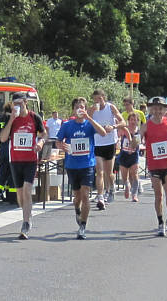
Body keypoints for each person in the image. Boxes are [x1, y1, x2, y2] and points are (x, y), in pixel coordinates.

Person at [56, 97, 107, 239]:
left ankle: (83, 226)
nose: (80, 109)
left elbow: (103, 133)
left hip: (87, 165)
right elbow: (58, 142)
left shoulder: (90, 125)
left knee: (85, 195)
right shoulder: (67, 125)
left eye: (83, 107)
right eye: (78, 107)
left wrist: (89, 118)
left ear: (85, 109)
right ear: (73, 110)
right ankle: (77, 210)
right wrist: (63, 146)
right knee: (77, 196)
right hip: (72, 165)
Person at [0, 92, 47, 239]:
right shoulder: (11, 119)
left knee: (27, 190)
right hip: (15, 160)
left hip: (30, 160)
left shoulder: (34, 117)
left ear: (25, 102)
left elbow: (44, 133)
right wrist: (12, 119)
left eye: (20, 103)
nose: (18, 106)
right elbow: (3, 138)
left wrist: (40, 142)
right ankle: (27, 211)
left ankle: (26, 223)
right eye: (15, 104)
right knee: (20, 195)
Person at [140, 96, 167, 236]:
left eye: (161, 109)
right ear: (151, 109)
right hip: (154, 165)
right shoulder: (146, 126)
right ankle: (160, 222)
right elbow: (138, 138)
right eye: (155, 108)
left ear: (165, 110)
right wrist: (136, 143)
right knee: (158, 195)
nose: (158, 111)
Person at [90, 89, 126, 208]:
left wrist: (113, 126)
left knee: (108, 173)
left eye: (99, 99)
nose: (98, 102)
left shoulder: (111, 107)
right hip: (97, 143)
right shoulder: (92, 110)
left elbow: (123, 122)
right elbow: (85, 121)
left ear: (103, 97)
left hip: (110, 142)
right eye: (95, 100)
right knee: (99, 172)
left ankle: (111, 188)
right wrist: (91, 112)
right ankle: (100, 196)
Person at [117, 112, 141, 202]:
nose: (133, 122)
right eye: (131, 120)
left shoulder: (138, 131)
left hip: (134, 155)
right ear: (128, 120)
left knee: (134, 174)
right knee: (124, 176)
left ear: (137, 121)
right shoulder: (124, 129)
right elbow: (118, 137)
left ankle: (134, 195)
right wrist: (118, 141)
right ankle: (127, 186)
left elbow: (138, 142)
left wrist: (133, 147)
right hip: (124, 154)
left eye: (135, 120)